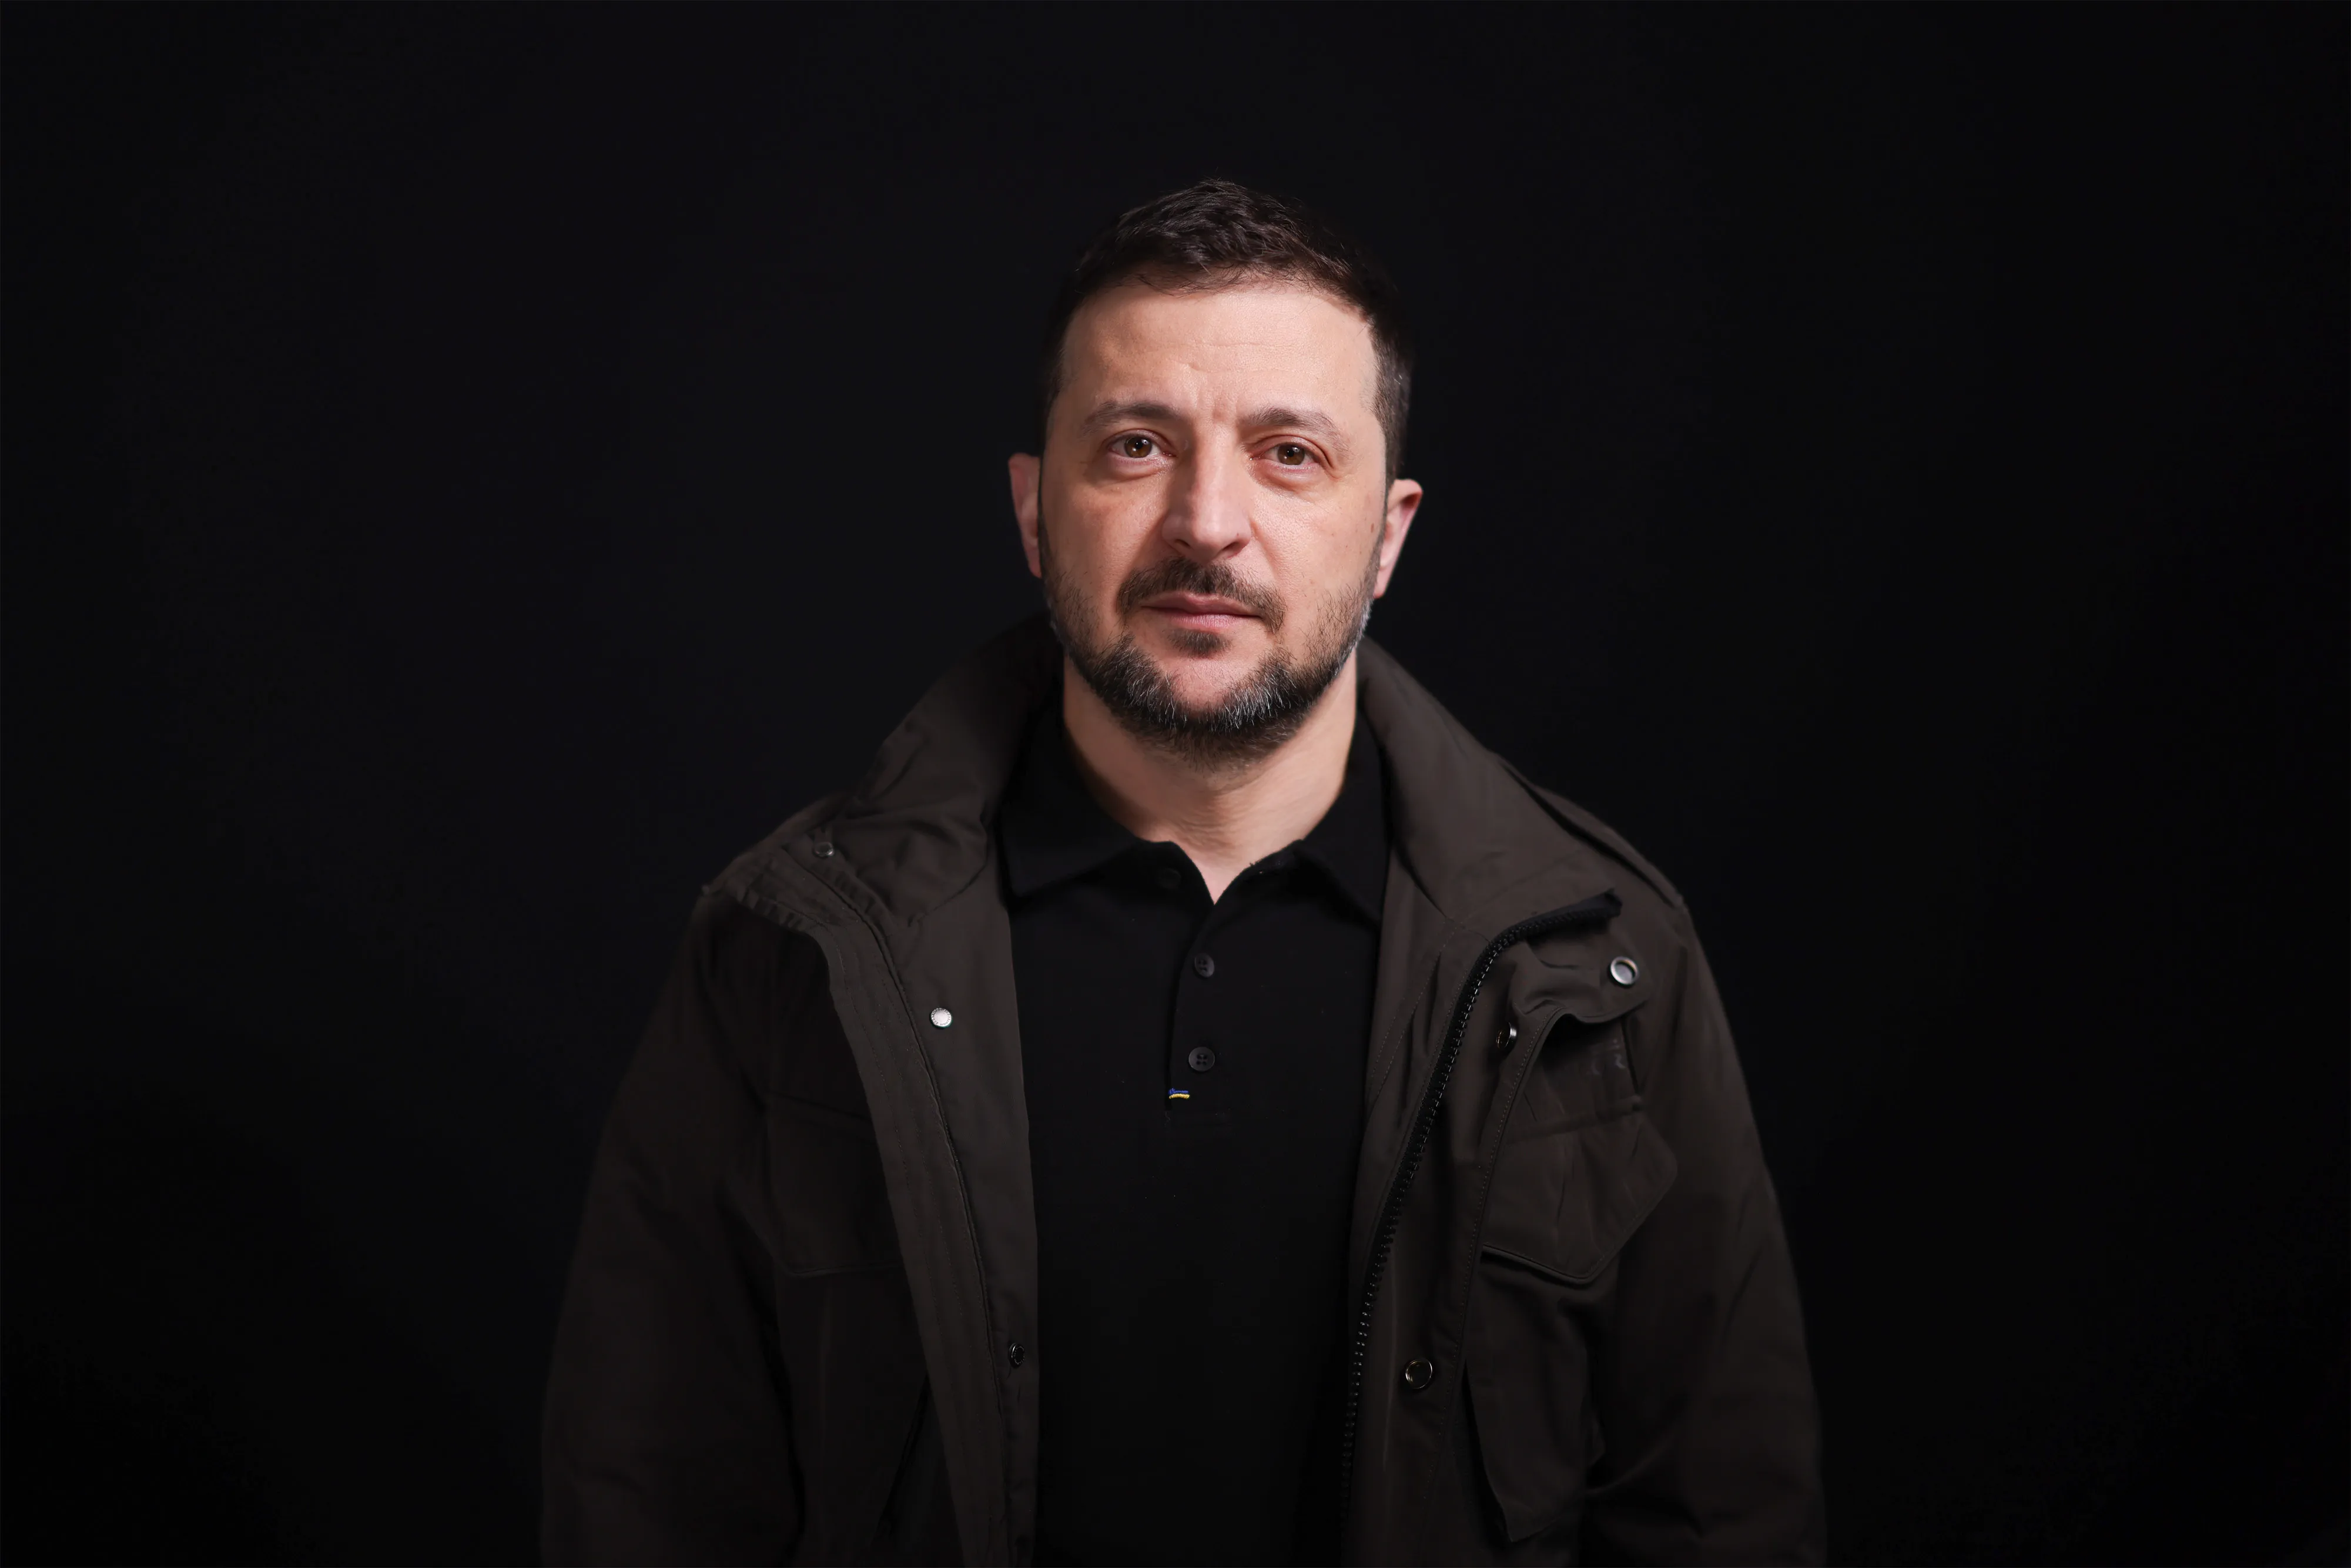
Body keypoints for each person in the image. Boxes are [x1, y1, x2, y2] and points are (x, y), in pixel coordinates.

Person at [541, 178, 1823, 1567]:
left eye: (1288, 453)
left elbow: (1720, 1515)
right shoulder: (790, 947)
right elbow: (647, 1502)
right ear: (1035, 511)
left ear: (1387, 534)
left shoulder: (1601, 962)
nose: (1206, 521)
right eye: (1137, 445)